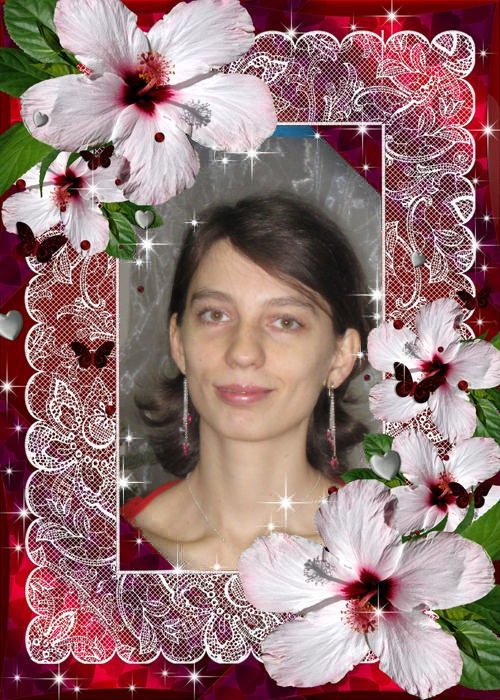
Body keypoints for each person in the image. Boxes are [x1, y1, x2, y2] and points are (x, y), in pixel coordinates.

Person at [122, 192, 371, 570]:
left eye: (285, 321)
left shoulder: (392, 554)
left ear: (340, 357)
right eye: (215, 315)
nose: (242, 352)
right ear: (179, 342)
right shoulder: (100, 552)